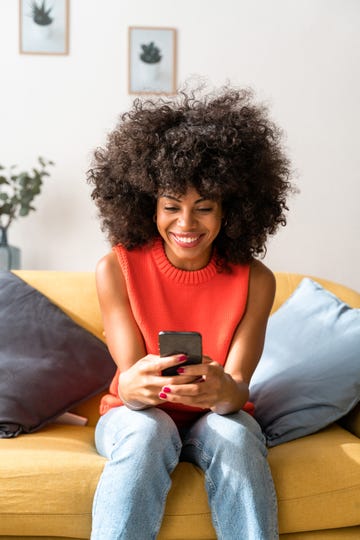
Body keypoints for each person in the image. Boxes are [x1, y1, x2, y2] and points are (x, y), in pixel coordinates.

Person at [87, 85, 293, 540]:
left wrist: (223, 391)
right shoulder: (116, 269)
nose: (186, 224)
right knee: (149, 433)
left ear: (230, 211)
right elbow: (130, 380)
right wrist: (137, 385)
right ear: (147, 206)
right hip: (135, 416)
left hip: (215, 420)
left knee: (236, 434)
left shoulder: (256, 280)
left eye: (204, 208)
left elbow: (238, 391)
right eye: (171, 207)